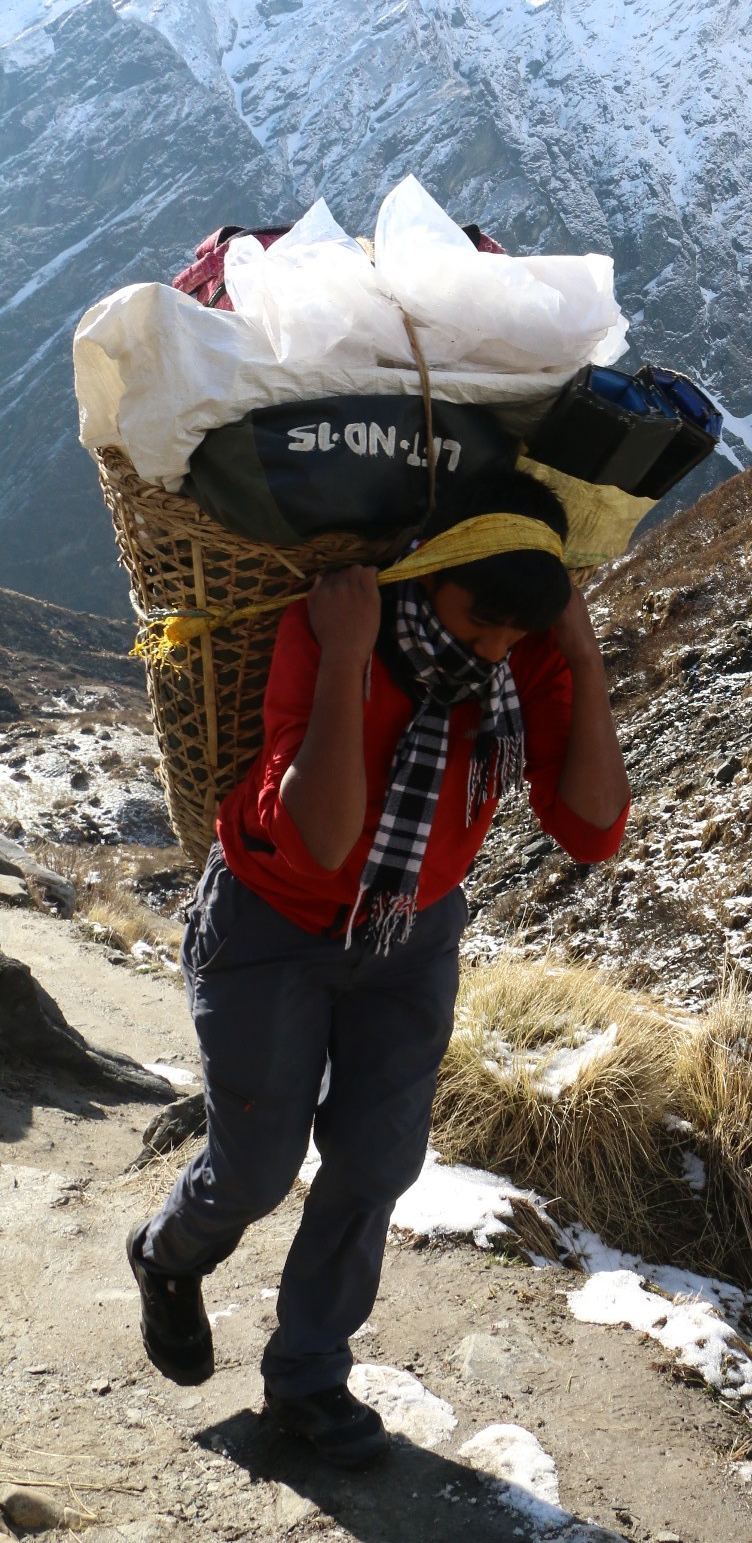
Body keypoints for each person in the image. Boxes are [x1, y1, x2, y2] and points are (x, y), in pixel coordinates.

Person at [126, 469, 629, 1467]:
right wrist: (350, 654)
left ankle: (309, 1375)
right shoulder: (336, 624)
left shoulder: (521, 648)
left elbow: (593, 827)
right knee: (257, 1167)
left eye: (510, 635)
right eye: (478, 622)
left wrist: (572, 645)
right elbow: (317, 834)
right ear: (428, 570)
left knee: (377, 1161)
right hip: (276, 924)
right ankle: (168, 1251)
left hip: (410, 935)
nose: (489, 649)